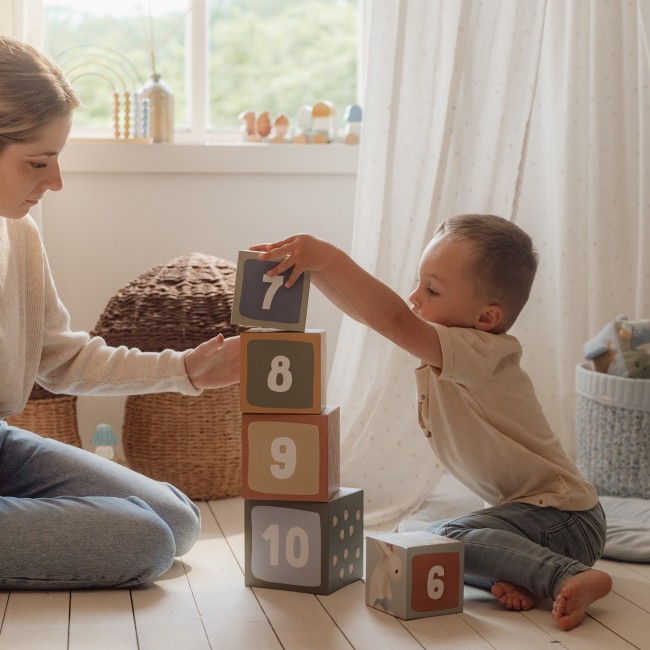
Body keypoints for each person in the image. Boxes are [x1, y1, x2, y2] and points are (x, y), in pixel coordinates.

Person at [251, 214, 612, 631]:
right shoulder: (456, 348)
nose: (415, 297)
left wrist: (329, 258)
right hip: (531, 520)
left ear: (486, 318)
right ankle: (518, 574)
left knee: (443, 538)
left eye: (432, 289)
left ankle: (567, 575)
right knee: (412, 535)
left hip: (567, 519)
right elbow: (371, 317)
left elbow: (392, 320)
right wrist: (312, 270)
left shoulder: (479, 352)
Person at [0, 35, 240, 590]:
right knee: (143, 540)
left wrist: (185, 371)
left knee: (177, 520)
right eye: (37, 162)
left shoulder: (19, 234)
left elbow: (58, 357)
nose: (54, 182)